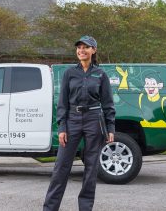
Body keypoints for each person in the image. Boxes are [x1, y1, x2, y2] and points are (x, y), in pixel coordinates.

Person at [43, 35, 116, 211]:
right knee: (61, 166)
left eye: (86, 47)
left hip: (93, 121)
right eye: (79, 47)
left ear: (94, 50)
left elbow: (108, 104)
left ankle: (85, 208)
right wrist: (62, 127)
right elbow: (62, 103)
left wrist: (110, 128)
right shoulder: (70, 73)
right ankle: (49, 208)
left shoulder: (101, 74)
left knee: (91, 168)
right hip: (72, 121)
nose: (81, 50)